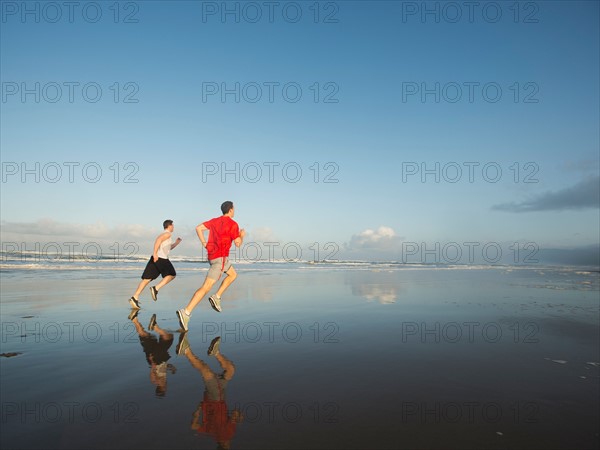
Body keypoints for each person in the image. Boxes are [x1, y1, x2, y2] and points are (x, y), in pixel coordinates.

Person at [176, 201, 245, 331]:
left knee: (233, 274)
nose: (234, 211)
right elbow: (238, 244)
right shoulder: (233, 224)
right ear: (230, 210)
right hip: (220, 259)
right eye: (234, 209)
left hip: (215, 256)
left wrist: (204, 243)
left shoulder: (215, 221)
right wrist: (242, 235)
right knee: (206, 287)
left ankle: (217, 296)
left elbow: (198, 228)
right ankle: (186, 312)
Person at [176, 334, 243, 448]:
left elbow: (235, 414)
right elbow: (194, 426)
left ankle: (186, 351)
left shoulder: (227, 435)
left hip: (217, 397)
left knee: (207, 371)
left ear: (225, 445)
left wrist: (238, 417)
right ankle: (214, 352)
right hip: (215, 397)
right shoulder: (210, 433)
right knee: (229, 371)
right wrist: (199, 409)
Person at [129, 220, 182, 309]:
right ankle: (155, 288)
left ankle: (135, 297)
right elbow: (158, 240)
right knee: (172, 275)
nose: (173, 227)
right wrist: (155, 253)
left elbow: (169, 247)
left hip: (156, 258)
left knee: (147, 279)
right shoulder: (167, 234)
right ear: (169, 226)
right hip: (161, 258)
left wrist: (176, 243)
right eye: (173, 225)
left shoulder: (167, 235)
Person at [128, 310, 177, 397]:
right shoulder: (162, 380)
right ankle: (134, 319)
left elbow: (153, 374)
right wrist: (170, 367)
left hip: (157, 358)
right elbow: (162, 368)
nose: (166, 388)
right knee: (144, 335)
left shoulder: (157, 382)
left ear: (162, 389)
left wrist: (153, 363)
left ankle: (155, 327)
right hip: (157, 358)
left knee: (168, 338)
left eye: (164, 389)